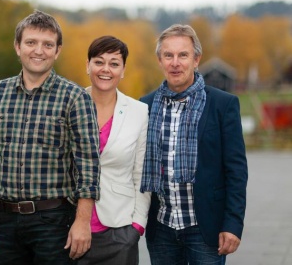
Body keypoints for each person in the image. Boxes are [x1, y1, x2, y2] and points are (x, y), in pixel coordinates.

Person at [0, 9, 101, 264]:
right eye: (31, 42)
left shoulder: (74, 98)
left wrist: (83, 222)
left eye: (47, 44)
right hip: (5, 221)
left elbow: (88, 165)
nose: (38, 51)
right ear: (17, 47)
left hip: (53, 222)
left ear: (57, 51)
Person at [140, 24, 248, 264]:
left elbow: (236, 171)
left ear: (196, 59)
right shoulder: (144, 107)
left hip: (205, 229)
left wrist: (233, 224)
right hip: (161, 228)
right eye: (168, 55)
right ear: (160, 60)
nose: (175, 62)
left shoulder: (222, 105)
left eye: (183, 55)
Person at [78, 36, 151, 265]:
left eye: (114, 63)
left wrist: (137, 226)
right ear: (88, 65)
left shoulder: (139, 112)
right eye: (99, 62)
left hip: (119, 228)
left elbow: (141, 173)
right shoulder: (70, 104)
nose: (105, 69)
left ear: (123, 70)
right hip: (71, 227)